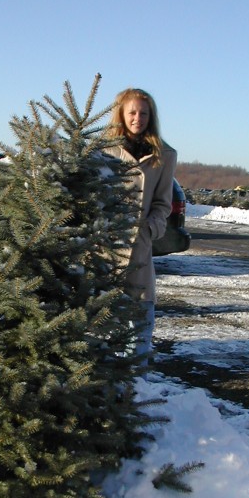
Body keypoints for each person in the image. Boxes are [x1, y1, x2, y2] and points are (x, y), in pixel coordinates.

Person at [104, 87, 177, 367]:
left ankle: (136, 392)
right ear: (121, 114)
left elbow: (163, 203)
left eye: (144, 113)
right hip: (105, 250)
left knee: (140, 327)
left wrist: (150, 229)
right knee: (104, 327)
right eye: (132, 112)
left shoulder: (164, 155)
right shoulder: (103, 152)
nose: (138, 118)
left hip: (139, 250)